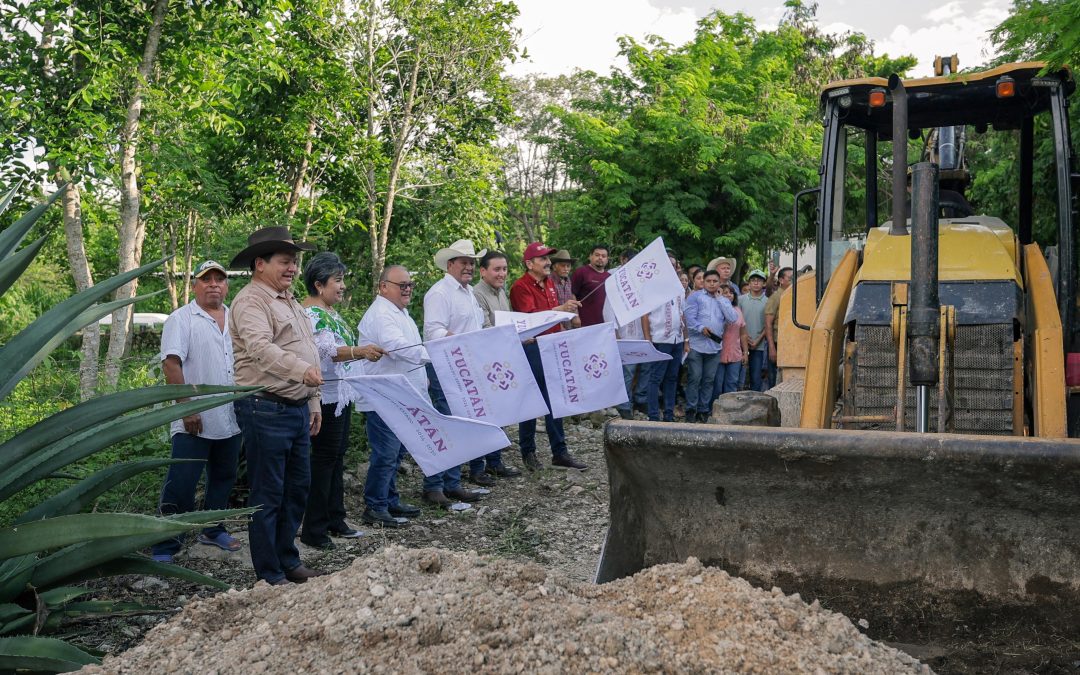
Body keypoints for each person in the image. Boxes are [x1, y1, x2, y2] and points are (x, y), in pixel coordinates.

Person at [229, 227, 326, 586]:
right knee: (268, 493)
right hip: (265, 408)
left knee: (297, 488)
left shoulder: (290, 300)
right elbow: (260, 349)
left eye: (295, 263)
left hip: (297, 408)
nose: (293, 269)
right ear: (260, 264)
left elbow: (309, 349)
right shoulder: (250, 302)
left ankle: (288, 559)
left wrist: (313, 400)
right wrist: (303, 373)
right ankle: (269, 573)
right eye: (286, 262)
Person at [151, 260, 243, 564]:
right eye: (207, 280)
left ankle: (212, 528)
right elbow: (171, 364)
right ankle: (165, 542)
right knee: (182, 480)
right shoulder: (181, 319)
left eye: (220, 279)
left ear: (227, 286)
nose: (214, 284)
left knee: (223, 476)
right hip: (195, 416)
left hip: (231, 415)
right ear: (195, 286)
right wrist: (186, 408)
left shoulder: (235, 318)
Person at [299, 252, 385, 550]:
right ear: (319, 284)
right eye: (338, 280)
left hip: (340, 396)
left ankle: (335, 517)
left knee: (336, 459)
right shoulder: (311, 314)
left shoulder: (329, 312)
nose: (343, 286)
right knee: (323, 461)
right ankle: (314, 528)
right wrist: (360, 351)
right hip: (322, 397)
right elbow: (328, 351)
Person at [355, 265, 427, 527]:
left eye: (410, 285)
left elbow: (412, 347)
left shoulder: (401, 312)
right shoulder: (381, 314)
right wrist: (431, 356)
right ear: (383, 286)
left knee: (396, 453)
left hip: (401, 395)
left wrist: (423, 377)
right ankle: (374, 506)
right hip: (383, 396)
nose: (407, 289)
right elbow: (398, 347)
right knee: (385, 454)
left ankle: (390, 499)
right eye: (402, 285)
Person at [421, 240, 489, 504]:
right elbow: (433, 332)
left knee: (460, 424)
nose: (469, 267)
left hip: (464, 366)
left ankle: (452, 482)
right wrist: (462, 343)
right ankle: (433, 486)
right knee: (446, 424)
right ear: (450, 265)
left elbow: (476, 328)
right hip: (444, 366)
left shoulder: (468, 292)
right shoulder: (440, 293)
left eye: (472, 262)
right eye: (464, 262)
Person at [509, 242, 586, 471]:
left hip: (552, 346)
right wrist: (561, 309)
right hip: (532, 348)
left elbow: (553, 318)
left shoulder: (550, 283)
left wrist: (566, 315)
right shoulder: (520, 287)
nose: (548, 263)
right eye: (542, 259)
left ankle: (559, 453)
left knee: (555, 400)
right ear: (529, 263)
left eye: (548, 258)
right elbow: (531, 320)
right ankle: (528, 452)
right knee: (532, 401)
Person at [467, 250, 521, 482]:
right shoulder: (477, 294)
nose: (502, 274)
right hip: (480, 363)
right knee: (481, 415)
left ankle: (495, 462)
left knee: (497, 413)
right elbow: (485, 328)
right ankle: (477, 468)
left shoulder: (502, 293)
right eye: (497, 269)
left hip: (499, 362)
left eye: (505, 269)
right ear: (483, 271)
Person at [683, 269, 738, 422]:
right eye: (709, 281)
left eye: (715, 281)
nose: (712, 284)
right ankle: (690, 410)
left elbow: (732, 318)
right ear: (703, 282)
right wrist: (701, 328)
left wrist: (720, 299)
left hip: (714, 347)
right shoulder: (695, 297)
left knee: (708, 380)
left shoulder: (723, 299)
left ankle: (703, 410)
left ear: (719, 282)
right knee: (695, 378)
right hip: (697, 345)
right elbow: (688, 318)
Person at [641, 254, 687, 422]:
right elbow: (645, 315)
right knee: (655, 377)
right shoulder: (651, 287)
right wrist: (648, 339)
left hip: (677, 339)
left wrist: (686, 339)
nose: (671, 267)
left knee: (672, 377)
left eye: (673, 265)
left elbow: (682, 315)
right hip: (660, 338)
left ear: (676, 268)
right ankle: (653, 415)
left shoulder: (680, 288)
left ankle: (668, 414)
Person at [713, 284, 749, 397]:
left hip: (735, 353)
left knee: (732, 384)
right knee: (717, 385)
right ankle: (713, 410)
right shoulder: (715, 310)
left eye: (731, 292)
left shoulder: (737, 310)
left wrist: (745, 353)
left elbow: (743, 334)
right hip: (718, 353)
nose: (729, 295)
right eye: (725, 292)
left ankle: (729, 410)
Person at [740, 269, 770, 392]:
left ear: (764, 283)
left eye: (759, 280)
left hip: (759, 344)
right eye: (753, 280)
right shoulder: (740, 299)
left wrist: (758, 339)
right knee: (738, 376)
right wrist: (745, 336)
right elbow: (738, 321)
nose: (756, 283)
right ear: (749, 283)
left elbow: (768, 324)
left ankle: (755, 402)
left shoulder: (767, 301)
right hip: (740, 343)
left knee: (755, 376)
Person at [764, 266, 793, 388]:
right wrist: (771, 347)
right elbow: (768, 323)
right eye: (791, 278)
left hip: (790, 342)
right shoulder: (775, 297)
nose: (794, 281)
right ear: (781, 280)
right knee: (774, 379)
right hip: (777, 342)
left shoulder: (794, 295)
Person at [570, 244, 610, 327]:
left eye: (603, 256)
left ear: (607, 259)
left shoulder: (609, 277)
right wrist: (575, 316)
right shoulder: (581, 272)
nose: (600, 258)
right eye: (597, 255)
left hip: (605, 323)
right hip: (584, 323)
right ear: (590, 256)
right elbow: (571, 294)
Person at [550, 249, 580, 330]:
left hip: (568, 323)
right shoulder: (549, 281)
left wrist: (576, 316)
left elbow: (571, 297)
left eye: (568, 266)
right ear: (554, 267)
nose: (566, 269)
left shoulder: (568, 280)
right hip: (554, 324)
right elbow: (549, 306)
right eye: (563, 266)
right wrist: (558, 325)